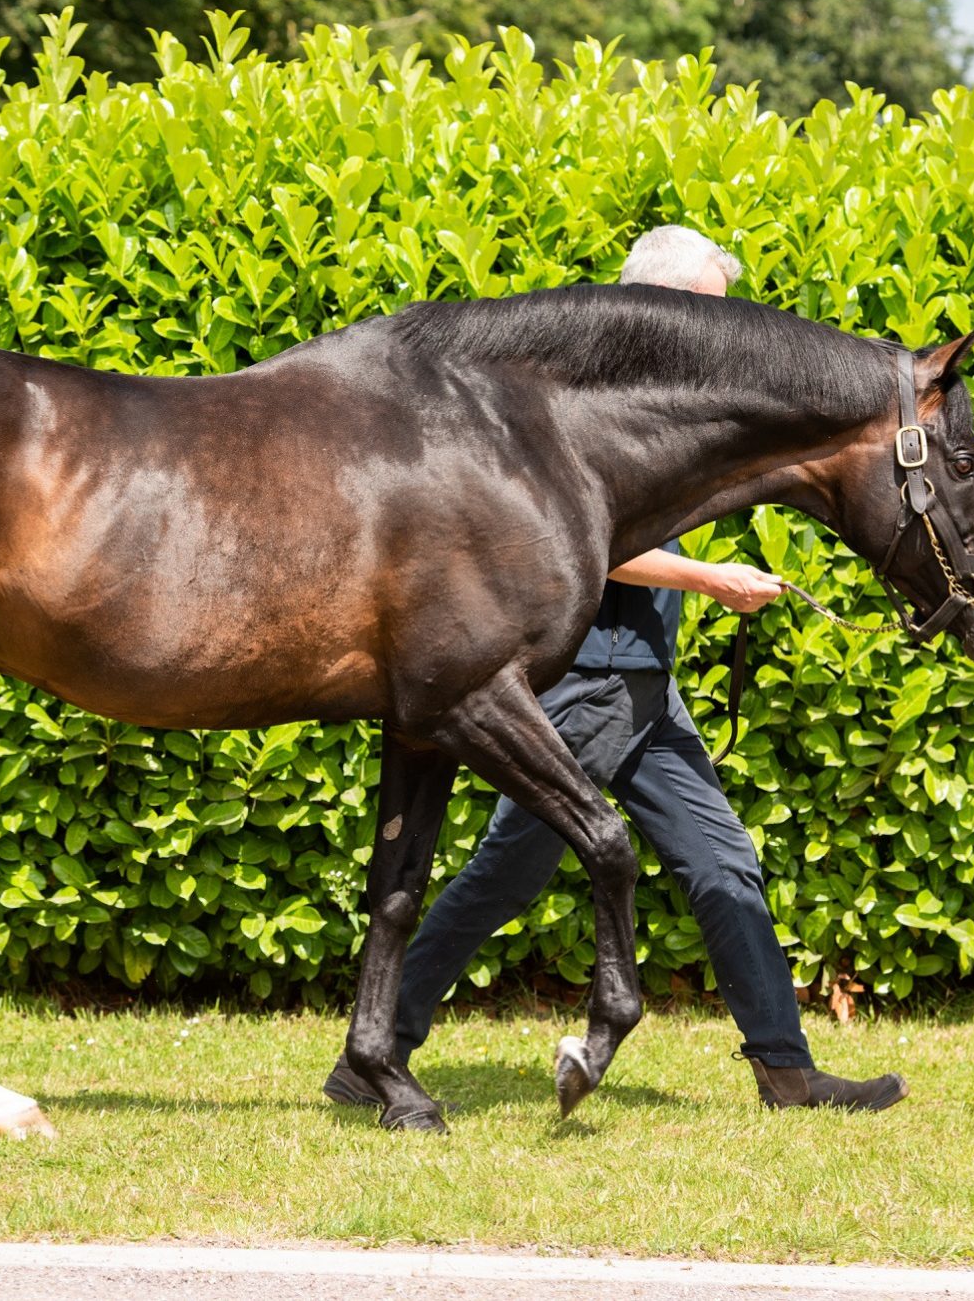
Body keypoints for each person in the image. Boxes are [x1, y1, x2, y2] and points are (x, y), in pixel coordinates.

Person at [325, 226, 908, 1113]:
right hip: (586, 678)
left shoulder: (655, 405)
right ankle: (376, 1046)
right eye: (706, 311)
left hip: (644, 681)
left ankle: (785, 1070)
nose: (721, 336)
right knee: (503, 878)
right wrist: (708, 577)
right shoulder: (575, 391)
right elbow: (574, 543)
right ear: (661, 301)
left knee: (722, 863)